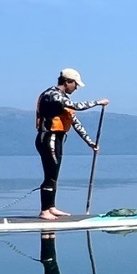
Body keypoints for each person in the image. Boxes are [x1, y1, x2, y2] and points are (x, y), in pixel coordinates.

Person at [35, 68, 109, 220]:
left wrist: (90, 142)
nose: (76, 88)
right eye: (75, 85)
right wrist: (97, 102)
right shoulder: (52, 95)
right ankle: (44, 211)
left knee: (54, 175)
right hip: (48, 138)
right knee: (50, 175)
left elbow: (75, 122)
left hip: (58, 139)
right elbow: (76, 106)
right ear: (68, 82)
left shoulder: (63, 98)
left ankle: (51, 207)